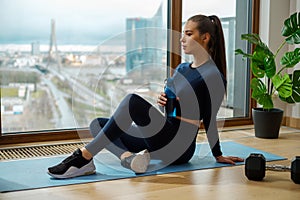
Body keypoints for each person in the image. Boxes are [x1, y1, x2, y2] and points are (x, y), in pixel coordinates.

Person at [48, 14, 244, 179]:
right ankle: (129, 159)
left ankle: (83, 157)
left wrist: (218, 154)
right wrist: (163, 103)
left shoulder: (213, 76)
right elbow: (170, 106)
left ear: (205, 38)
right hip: (162, 134)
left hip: (180, 145)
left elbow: (209, 120)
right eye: (183, 34)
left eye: (188, 34)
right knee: (97, 124)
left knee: (132, 101)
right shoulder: (183, 68)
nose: (182, 39)